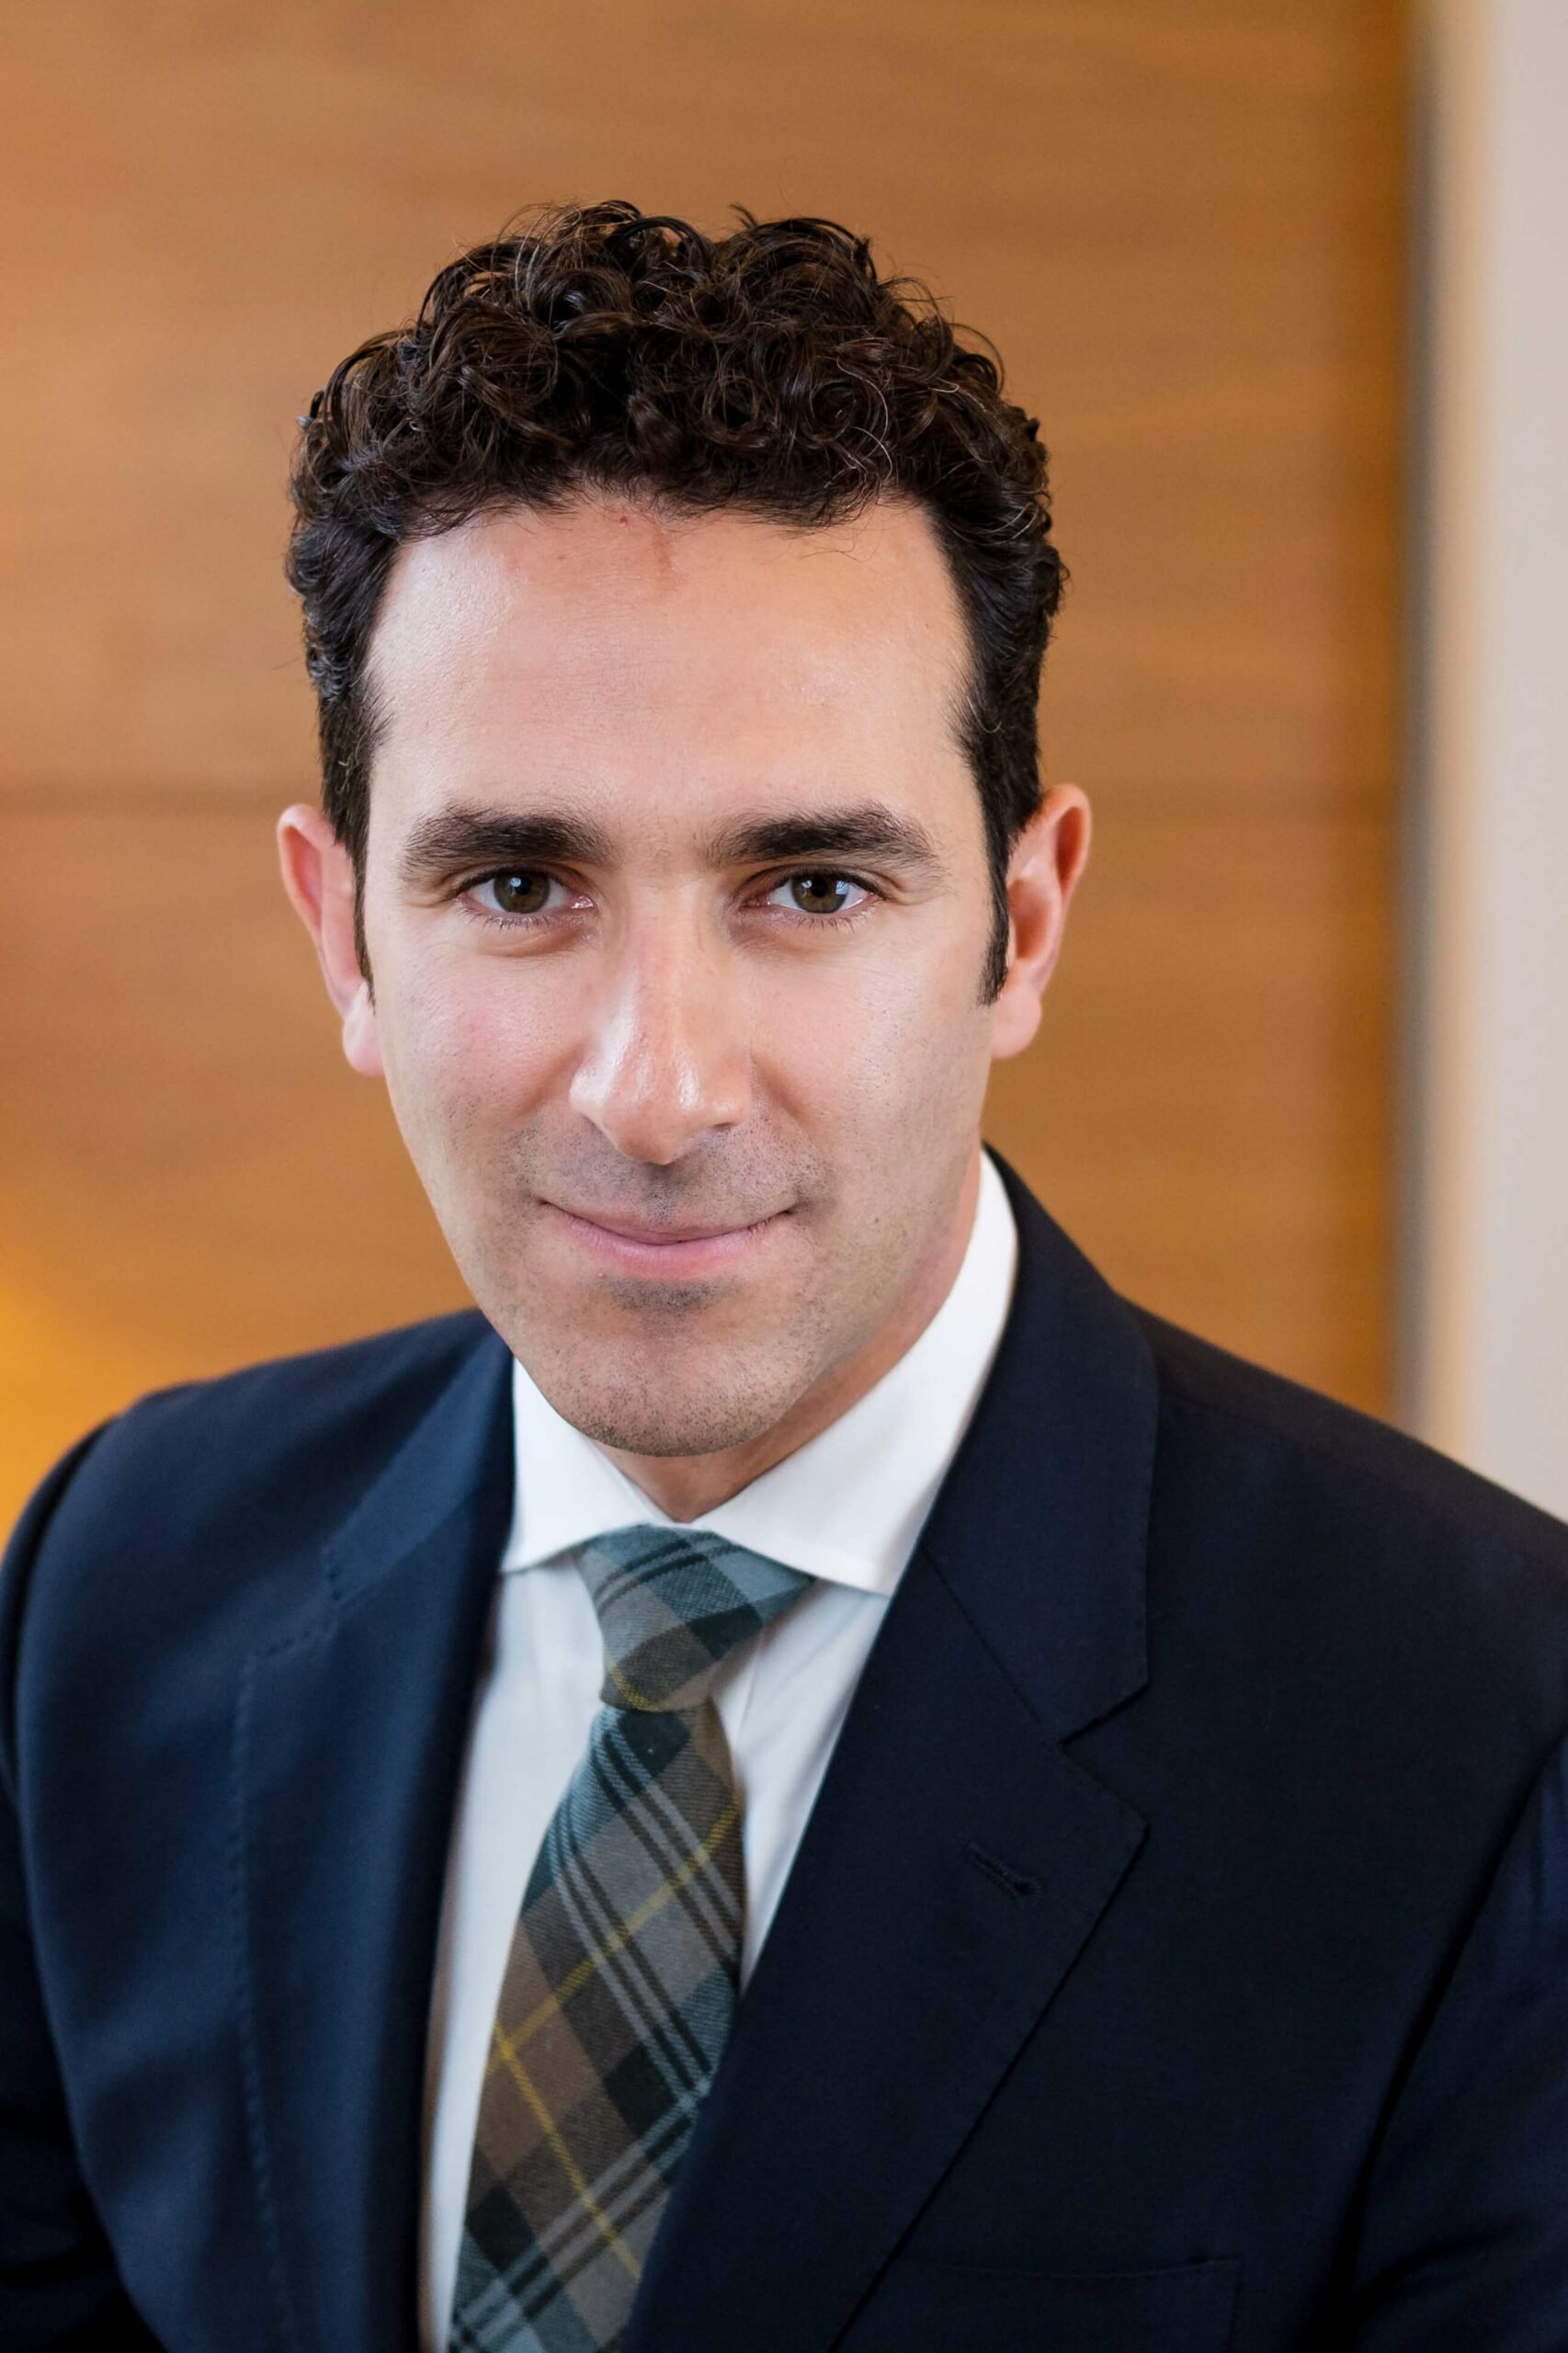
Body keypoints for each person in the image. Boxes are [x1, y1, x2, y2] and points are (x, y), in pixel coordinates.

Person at [3, 200, 1567, 2353]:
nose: (659, 1089)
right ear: (342, 932)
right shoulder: (117, 1578)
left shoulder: (1488, 1726)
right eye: (518, 881)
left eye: (811, 884)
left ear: (1022, 922)